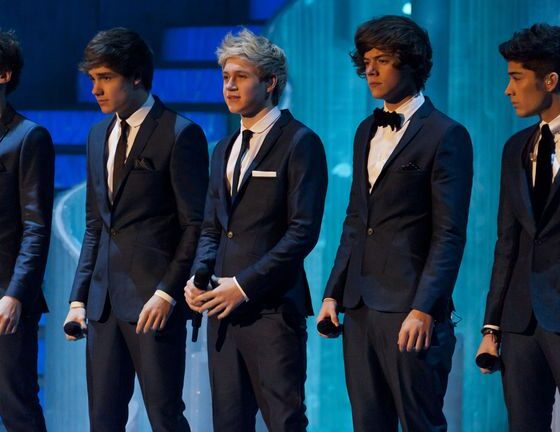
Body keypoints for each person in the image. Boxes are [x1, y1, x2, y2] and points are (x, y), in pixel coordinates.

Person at [318, 15, 473, 431]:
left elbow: (449, 233)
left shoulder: (446, 134)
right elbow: (356, 219)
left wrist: (424, 308)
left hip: (410, 309)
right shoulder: (365, 130)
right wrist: (333, 293)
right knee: (368, 423)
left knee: (421, 423)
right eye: (366, 61)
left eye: (382, 60)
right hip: (360, 308)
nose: (370, 70)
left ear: (411, 63)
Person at [64, 27, 208, 431]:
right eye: (92, 78)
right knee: (103, 420)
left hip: (153, 303)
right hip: (103, 305)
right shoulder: (97, 135)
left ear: (137, 77)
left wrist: (167, 293)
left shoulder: (180, 133)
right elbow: (96, 225)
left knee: (165, 417)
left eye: (105, 77)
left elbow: (195, 225)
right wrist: (78, 299)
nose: (95, 89)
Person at [185, 29, 327, 432]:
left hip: (272, 311)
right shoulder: (223, 148)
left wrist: (243, 285)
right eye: (225, 77)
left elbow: (302, 233)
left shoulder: (300, 142)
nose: (229, 86)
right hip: (221, 312)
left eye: (241, 76)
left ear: (270, 82)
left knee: (284, 422)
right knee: (228, 423)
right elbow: (212, 227)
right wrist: (197, 277)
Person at [477, 23, 560, 432]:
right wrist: (491, 326)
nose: (508, 90)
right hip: (521, 320)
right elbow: (506, 242)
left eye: (516, 78)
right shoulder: (515, 149)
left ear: (550, 80)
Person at [0, 30, 54, 432]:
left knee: (16, 403)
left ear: (4, 75)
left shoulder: (27, 137)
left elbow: (36, 228)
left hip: (6, 296)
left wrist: (16, 294)